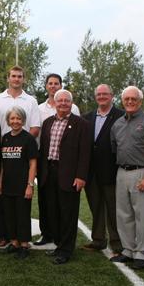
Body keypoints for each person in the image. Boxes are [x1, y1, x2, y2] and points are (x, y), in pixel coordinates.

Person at [110, 86, 144, 270]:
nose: (130, 102)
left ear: (140, 101)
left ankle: (142, 253)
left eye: (134, 99)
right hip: (122, 172)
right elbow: (114, 149)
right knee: (124, 214)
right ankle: (128, 250)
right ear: (122, 101)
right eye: (127, 99)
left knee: (142, 215)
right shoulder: (117, 124)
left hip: (143, 171)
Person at [0, 66, 41, 247]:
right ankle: (5, 237)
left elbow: (35, 127)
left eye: (20, 76)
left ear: (23, 79)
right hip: (2, 156)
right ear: (8, 78)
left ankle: (22, 239)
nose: (16, 79)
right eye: (13, 76)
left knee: (21, 204)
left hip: (22, 158)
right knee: (2, 200)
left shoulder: (31, 100)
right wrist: (4, 144)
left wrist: (21, 143)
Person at [38, 90, 91, 265]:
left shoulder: (81, 124)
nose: (62, 103)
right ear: (54, 102)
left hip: (69, 174)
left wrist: (81, 176)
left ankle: (66, 250)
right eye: (59, 100)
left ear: (71, 103)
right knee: (53, 212)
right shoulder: (47, 123)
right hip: (49, 173)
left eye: (66, 101)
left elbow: (85, 153)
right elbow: (43, 149)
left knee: (68, 213)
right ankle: (59, 245)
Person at [37, 73, 80, 247]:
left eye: (57, 83)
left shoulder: (75, 113)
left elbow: (79, 144)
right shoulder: (41, 111)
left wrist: (79, 173)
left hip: (66, 166)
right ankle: (48, 235)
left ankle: (64, 242)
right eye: (50, 83)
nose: (53, 85)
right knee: (48, 204)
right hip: (46, 164)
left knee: (65, 207)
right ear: (46, 86)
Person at [82, 84, 124, 256]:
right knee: (96, 207)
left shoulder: (121, 115)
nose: (101, 97)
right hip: (91, 172)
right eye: (98, 94)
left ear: (112, 95)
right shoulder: (87, 117)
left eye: (105, 94)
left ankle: (117, 243)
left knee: (114, 210)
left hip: (112, 171)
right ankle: (98, 240)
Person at [0, 106, 38, 259]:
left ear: (23, 120)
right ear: (8, 121)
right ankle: (14, 242)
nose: (15, 121)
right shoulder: (5, 138)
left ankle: (24, 245)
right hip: (7, 184)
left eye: (18, 118)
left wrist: (30, 185)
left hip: (22, 185)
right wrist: (1, 183)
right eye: (12, 118)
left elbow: (33, 164)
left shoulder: (28, 139)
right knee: (10, 215)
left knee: (22, 215)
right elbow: (2, 164)